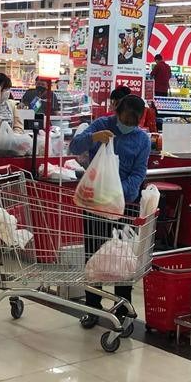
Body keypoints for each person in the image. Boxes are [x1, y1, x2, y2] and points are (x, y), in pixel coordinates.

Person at [69, 94, 151, 321]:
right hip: (95, 204)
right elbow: (74, 146)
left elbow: (138, 173)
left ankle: (122, 307)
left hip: (125, 204)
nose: (129, 124)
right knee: (93, 255)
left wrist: (116, 192)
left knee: (122, 258)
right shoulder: (101, 125)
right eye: (125, 119)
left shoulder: (142, 140)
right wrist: (94, 137)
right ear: (117, 113)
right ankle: (92, 307)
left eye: (134, 121)